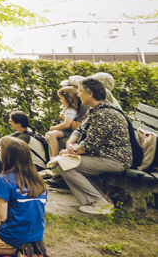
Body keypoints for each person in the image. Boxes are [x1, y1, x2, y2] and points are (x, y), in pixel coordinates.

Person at [51, 76, 132, 215]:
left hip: (115, 159)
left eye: (80, 91)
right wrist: (70, 143)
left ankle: (98, 202)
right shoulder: (95, 110)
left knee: (64, 164)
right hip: (103, 156)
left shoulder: (104, 114)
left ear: (91, 94)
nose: (77, 94)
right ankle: (96, 200)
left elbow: (90, 146)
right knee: (64, 162)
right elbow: (79, 130)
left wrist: (69, 152)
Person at [45, 89, 79, 158]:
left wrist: (52, 128)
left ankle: (54, 157)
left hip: (71, 132)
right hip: (70, 131)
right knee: (52, 134)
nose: (60, 101)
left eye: (61, 98)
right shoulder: (69, 109)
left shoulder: (70, 111)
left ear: (68, 99)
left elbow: (66, 124)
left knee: (52, 134)